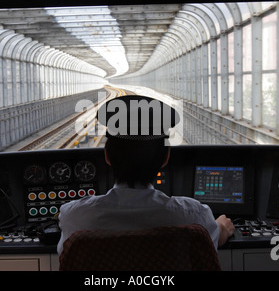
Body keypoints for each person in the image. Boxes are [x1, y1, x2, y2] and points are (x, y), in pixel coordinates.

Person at [56, 95, 235, 255]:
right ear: (165, 157)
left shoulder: (75, 216)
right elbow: (215, 236)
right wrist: (221, 226)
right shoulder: (194, 215)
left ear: (107, 156)